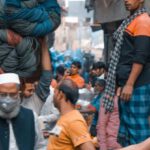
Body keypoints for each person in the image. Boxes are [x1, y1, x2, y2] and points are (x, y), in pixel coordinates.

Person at [101, 0, 150, 147]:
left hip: (138, 84)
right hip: (129, 85)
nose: (126, 1)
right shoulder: (130, 21)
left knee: (138, 131)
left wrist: (129, 84)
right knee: (127, 130)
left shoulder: (143, 21)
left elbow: (140, 56)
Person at [0, 73, 45, 150]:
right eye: (3, 94)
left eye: (12, 94)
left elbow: (40, 146)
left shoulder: (31, 116)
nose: (8, 99)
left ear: (18, 93)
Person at [47, 79, 95, 150]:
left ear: (60, 94)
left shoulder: (74, 121)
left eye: (55, 92)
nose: (53, 96)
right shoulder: (66, 117)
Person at [21, 37, 52, 115]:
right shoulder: (9, 94)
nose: (32, 92)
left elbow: (47, 75)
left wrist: (43, 43)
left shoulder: (36, 99)